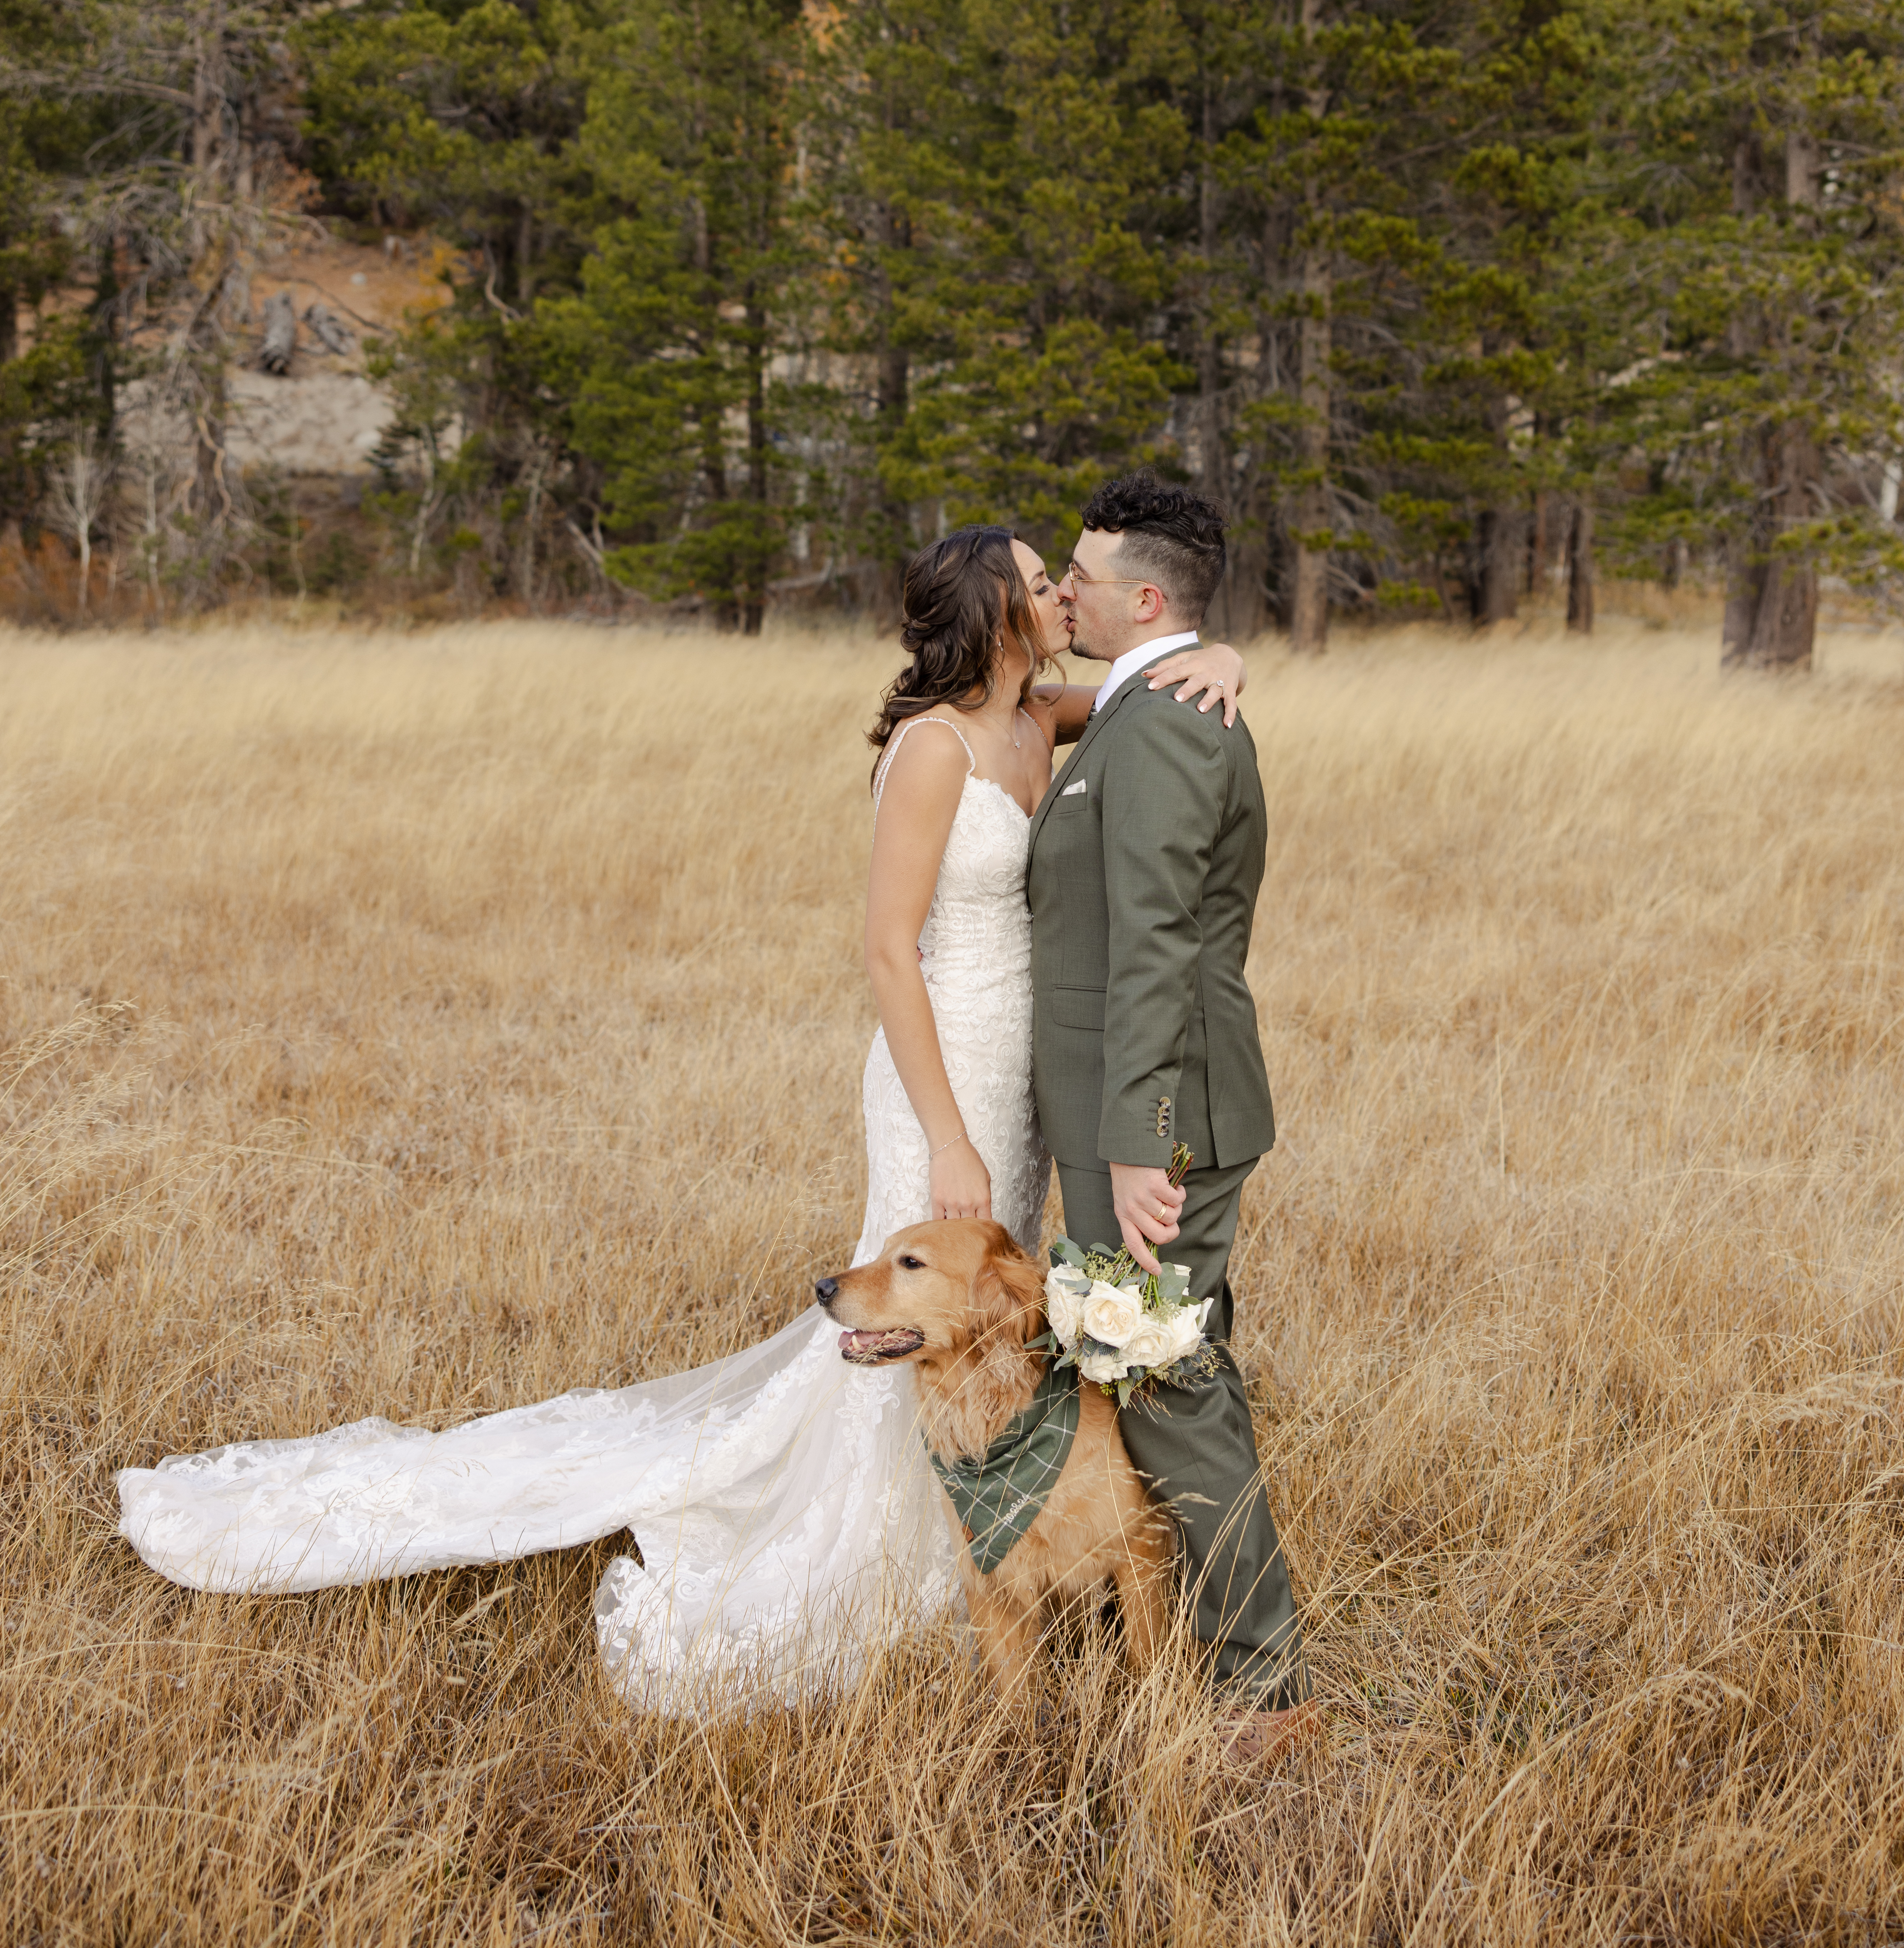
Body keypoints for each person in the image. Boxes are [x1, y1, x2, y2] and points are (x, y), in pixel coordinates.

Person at [117, 526, 1245, 1709]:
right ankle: (893, 1560)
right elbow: (886, 953)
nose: (1064, 593)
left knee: (981, 1306)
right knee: (914, 1290)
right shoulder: (934, 749)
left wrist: (1223, 657)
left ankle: (987, 1523)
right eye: (1037, 581)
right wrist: (950, 1134)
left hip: (1017, 1072)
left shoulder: (1034, 719)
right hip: (940, 1070)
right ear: (998, 613)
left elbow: (1136, 687)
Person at [1029, 470, 1312, 1763]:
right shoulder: (1152, 702)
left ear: (1143, 596)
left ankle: (1263, 1687)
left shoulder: (1169, 730)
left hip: (1159, 1112)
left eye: (1079, 576)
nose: (1064, 592)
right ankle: (1169, 1615)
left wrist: (1145, 1137)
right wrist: (1218, 649)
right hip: (1125, 1102)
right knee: (1152, 1370)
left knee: (1167, 1376)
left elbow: (1154, 940)